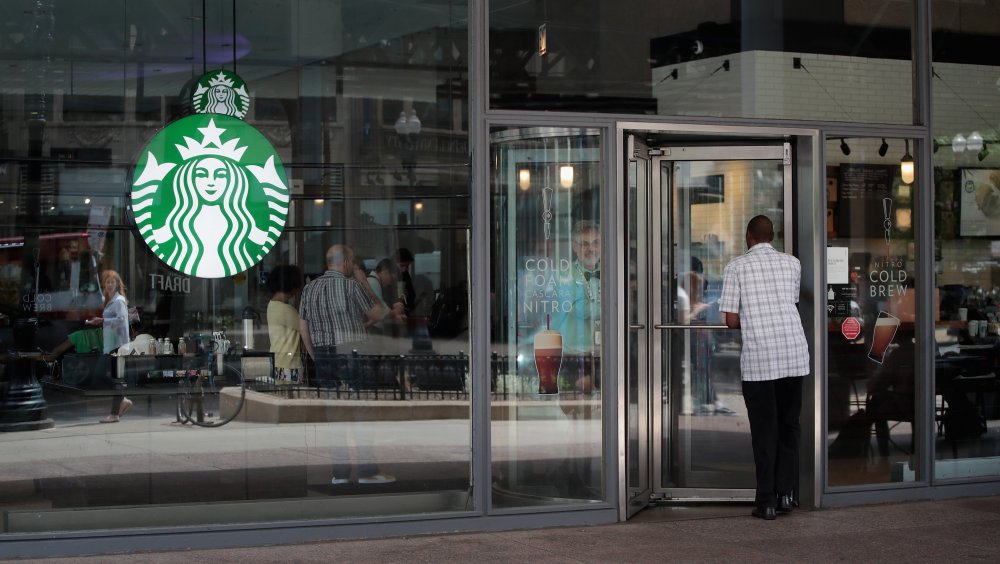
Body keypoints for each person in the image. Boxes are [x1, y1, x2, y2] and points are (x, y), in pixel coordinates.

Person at [719, 215, 809, 520]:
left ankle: (766, 501)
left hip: (761, 360)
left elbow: (731, 320)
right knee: (789, 426)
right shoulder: (792, 263)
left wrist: (753, 319)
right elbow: (789, 303)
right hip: (795, 354)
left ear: (749, 236)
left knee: (764, 431)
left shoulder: (736, 267)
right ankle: (786, 495)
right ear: (773, 236)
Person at [298, 244, 395, 485]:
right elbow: (380, 314)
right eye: (352, 263)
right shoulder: (351, 286)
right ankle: (367, 471)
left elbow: (303, 328)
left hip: (323, 355)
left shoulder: (309, 289)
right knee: (361, 411)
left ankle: (340, 473)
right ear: (346, 263)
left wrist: (315, 356)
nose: (353, 267)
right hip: (351, 352)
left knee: (335, 416)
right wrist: (364, 281)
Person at [552, 219, 601, 393]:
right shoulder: (564, 274)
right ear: (574, 246)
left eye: (596, 243)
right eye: (585, 244)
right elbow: (581, 310)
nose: (591, 249)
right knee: (575, 411)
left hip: (606, 354)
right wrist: (610, 306)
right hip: (574, 356)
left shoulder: (611, 271)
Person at [89, 270, 133, 423]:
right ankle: (123, 401)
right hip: (112, 345)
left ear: (117, 284)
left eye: (112, 282)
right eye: (107, 282)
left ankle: (115, 414)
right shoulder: (110, 301)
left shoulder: (119, 301)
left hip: (118, 345)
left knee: (115, 379)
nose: (109, 285)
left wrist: (102, 321)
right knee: (114, 378)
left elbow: (121, 320)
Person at [267, 265, 304, 388]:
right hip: (290, 364)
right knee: (292, 400)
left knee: (280, 398)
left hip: (277, 362)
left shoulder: (271, 306)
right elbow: (306, 329)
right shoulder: (286, 310)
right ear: (291, 286)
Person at [365, 258, 407, 335]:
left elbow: (382, 307)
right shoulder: (373, 282)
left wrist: (393, 311)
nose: (390, 283)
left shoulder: (374, 282)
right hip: (373, 329)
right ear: (385, 271)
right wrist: (396, 311)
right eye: (391, 278)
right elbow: (381, 312)